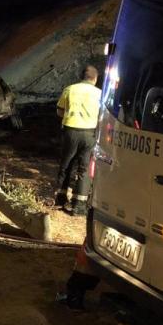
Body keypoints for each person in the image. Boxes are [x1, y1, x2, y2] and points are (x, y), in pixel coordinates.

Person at [55, 65, 101, 215]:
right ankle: (79, 206)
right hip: (89, 134)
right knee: (84, 168)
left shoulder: (70, 89)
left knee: (66, 164)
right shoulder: (100, 93)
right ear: (95, 79)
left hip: (70, 131)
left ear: (82, 76)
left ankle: (60, 199)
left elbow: (59, 111)